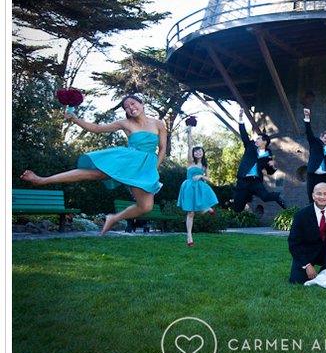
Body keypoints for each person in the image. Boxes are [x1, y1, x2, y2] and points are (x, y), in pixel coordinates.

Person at [20, 94, 166, 236]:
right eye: (126, 107)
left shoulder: (158, 124)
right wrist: (75, 119)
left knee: (146, 207)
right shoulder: (125, 123)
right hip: (128, 161)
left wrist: (154, 167)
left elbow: (163, 148)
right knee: (93, 173)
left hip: (146, 167)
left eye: (133, 103)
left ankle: (113, 218)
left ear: (142, 104)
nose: (130, 108)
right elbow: (97, 128)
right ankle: (42, 180)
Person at [232, 108, 287, 213]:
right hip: (243, 180)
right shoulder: (250, 146)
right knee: (238, 208)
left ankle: (277, 196)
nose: (256, 140)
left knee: (265, 197)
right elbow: (243, 133)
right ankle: (245, 198)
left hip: (256, 181)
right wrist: (240, 118)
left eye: (258, 139)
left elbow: (269, 172)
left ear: (264, 142)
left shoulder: (268, 154)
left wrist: (273, 167)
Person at [288, 182, 326, 284]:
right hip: (307, 253)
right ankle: (309, 269)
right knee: (297, 281)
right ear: (313, 195)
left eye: (325, 194)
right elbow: (293, 243)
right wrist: (307, 265)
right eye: (318, 193)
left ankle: (323, 274)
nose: (322, 197)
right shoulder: (301, 215)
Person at [176, 126, 219, 247]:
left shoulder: (205, 166)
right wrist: (189, 133)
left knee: (200, 211)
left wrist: (201, 176)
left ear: (203, 153)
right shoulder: (190, 162)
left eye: (200, 151)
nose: (198, 152)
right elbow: (189, 146)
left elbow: (209, 179)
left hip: (199, 188)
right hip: (188, 187)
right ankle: (189, 236)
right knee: (190, 212)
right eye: (196, 151)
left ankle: (209, 209)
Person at [303, 108, 326, 202]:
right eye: (325, 138)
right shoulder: (315, 143)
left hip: (324, 176)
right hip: (312, 174)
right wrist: (307, 117)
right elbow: (309, 132)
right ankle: (313, 214)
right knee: (311, 195)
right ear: (321, 137)